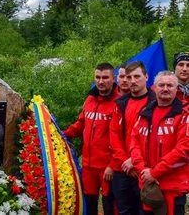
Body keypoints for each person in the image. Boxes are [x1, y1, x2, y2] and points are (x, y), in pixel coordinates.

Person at [130, 71, 189, 215]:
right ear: (155, 88)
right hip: (147, 185)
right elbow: (134, 143)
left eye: (170, 85)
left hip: (172, 188)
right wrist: (143, 170)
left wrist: (155, 172)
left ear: (177, 89)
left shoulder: (184, 115)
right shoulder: (145, 113)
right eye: (161, 85)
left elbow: (183, 150)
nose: (165, 88)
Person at [64, 63, 119, 215]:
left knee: (109, 205)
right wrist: (62, 134)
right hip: (88, 164)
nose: (101, 81)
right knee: (89, 203)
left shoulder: (119, 102)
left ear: (113, 78)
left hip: (107, 166)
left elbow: (122, 138)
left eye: (105, 77)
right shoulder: (90, 99)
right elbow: (80, 124)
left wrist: (113, 164)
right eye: (98, 77)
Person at [110, 61, 156, 215]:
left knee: (144, 210)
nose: (133, 81)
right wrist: (124, 160)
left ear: (146, 77)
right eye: (129, 77)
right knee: (124, 210)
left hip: (144, 168)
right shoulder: (120, 103)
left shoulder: (156, 103)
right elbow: (114, 135)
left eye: (137, 76)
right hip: (122, 168)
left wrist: (135, 160)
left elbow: (155, 137)